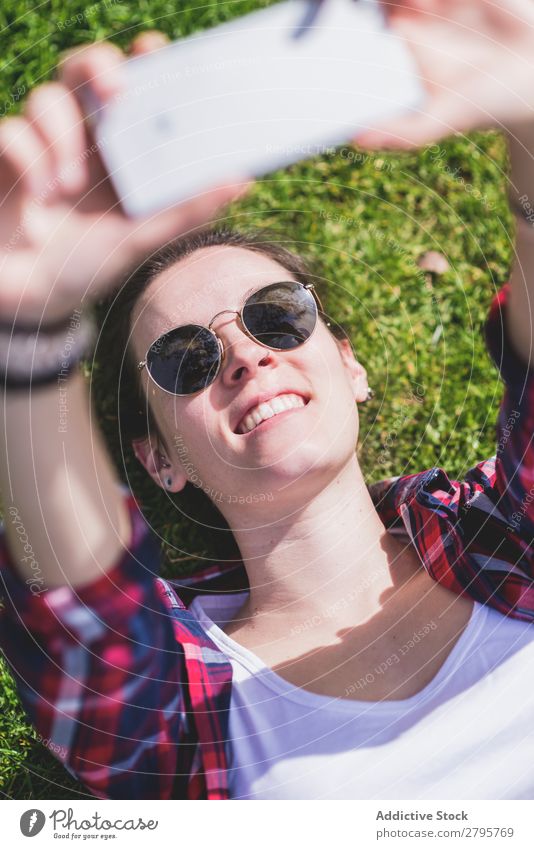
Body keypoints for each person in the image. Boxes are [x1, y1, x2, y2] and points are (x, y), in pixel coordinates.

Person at [0, 0, 533, 801]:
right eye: (186, 358)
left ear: (350, 365)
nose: (247, 356)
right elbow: (87, 628)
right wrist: (24, 331)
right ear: (158, 458)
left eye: (276, 315)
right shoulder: (185, 711)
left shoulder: (508, 532)